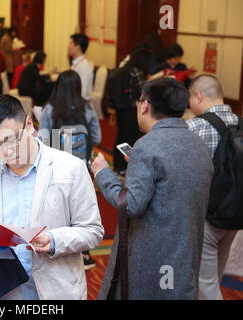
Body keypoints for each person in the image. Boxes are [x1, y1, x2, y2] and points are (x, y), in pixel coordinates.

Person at [0, 94, 104, 299]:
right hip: (5, 291)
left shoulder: (70, 168)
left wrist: (54, 240)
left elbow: (92, 231)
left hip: (55, 290)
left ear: (30, 125)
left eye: (11, 139)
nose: (6, 151)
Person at [91, 78, 214, 299]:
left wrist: (102, 173)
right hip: (185, 256)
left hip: (152, 260)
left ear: (145, 105)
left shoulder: (147, 146)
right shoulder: (198, 144)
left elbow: (131, 206)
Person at [39, 70, 101, 270]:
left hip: (58, 166)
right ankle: (86, 255)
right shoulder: (88, 108)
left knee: (60, 205)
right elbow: (97, 138)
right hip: (83, 166)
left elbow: (42, 139)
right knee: (81, 207)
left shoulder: (50, 109)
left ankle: (57, 243)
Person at [186, 74, 240, 300]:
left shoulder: (193, 127)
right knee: (215, 276)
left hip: (207, 214)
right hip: (236, 212)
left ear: (197, 95)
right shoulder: (240, 121)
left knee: (204, 283)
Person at [109, 48, 151, 176]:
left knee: (120, 137)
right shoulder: (137, 72)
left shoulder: (125, 69)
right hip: (132, 110)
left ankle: (118, 165)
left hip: (121, 108)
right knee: (130, 139)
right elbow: (143, 91)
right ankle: (125, 166)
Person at [68, 33, 93, 101]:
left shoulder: (84, 67)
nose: (68, 46)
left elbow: (82, 94)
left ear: (78, 47)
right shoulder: (76, 64)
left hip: (79, 107)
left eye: (71, 44)